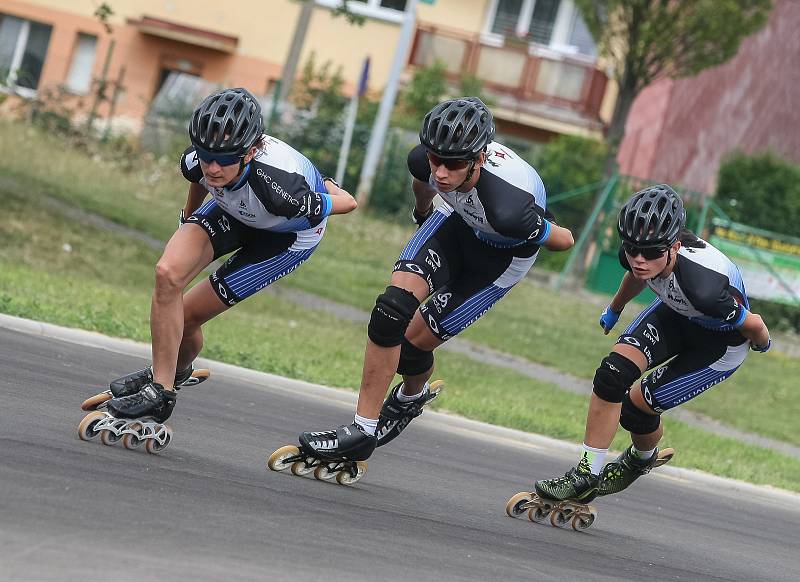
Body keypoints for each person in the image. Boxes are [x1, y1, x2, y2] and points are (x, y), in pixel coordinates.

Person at [296, 97, 575, 466]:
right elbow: (423, 181)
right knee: (390, 312)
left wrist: (534, 227)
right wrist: (423, 212)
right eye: (435, 160)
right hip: (456, 225)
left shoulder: (509, 206)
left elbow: (565, 240)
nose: (442, 172)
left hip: (500, 258)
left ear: (478, 159)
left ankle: (411, 397)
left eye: (454, 164)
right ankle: (362, 431)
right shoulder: (428, 161)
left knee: (412, 348)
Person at [102, 87, 357, 423]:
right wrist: (188, 221)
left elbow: (349, 202)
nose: (213, 167)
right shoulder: (203, 162)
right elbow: (198, 179)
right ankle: (161, 387)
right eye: (206, 154)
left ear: (249, 152)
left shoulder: (282, 188)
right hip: (236, 211)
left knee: (190, 316)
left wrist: (319, 195)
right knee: (167, 274)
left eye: (223, 160)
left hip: (285, 237)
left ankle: (172, 372)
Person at [533, 184, 772, 503]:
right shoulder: (638, 248)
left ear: (674, 247)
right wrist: (614, 309)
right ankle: (587, 473)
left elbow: (755, 324)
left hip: (719, 342)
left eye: (652, 253)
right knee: (612, 375)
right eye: (633, 250)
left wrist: (762, 344)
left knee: (636, 410)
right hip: (676, 314)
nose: (640, 259)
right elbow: (636, 275)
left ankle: (640, 460)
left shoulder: (703, 286)